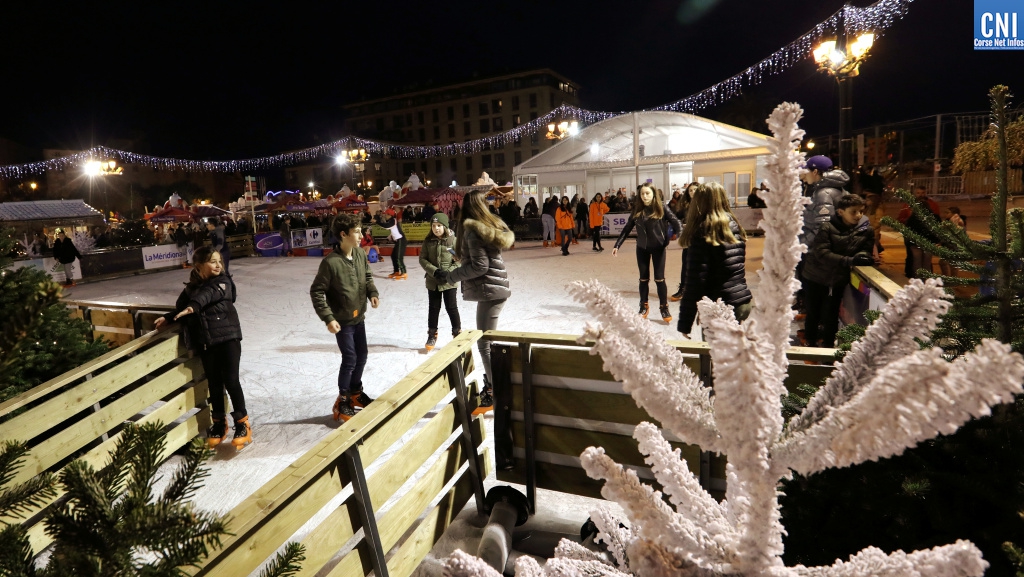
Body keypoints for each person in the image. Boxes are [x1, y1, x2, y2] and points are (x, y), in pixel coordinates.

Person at [154, 246, 251, 449]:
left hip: (228, 338)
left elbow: (207, 295)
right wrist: (169, 317)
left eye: (219, 261)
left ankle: (242, 423)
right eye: (212, 261)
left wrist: (194, 306)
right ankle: (219, 423)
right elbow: (182, 307)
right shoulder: (191, 288)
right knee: (214, 383)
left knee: (231, 380)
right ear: (199, 266)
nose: (218, 265)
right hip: (206, 341)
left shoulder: (223, 282)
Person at [433, 190, 514, 420]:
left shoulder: (472, 230)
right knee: (487, 343)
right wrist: (462, 259)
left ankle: (496, 392)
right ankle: (494, 387)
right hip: (493, 289)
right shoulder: (486, 226)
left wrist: (451, 276)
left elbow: (480, 267)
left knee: (485, 345)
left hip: (490, 290)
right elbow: (481, 260)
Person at [310, 213, 380, 422]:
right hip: (343, 321)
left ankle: (355, 392)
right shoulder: (330, 262)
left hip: (359, 317)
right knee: (350, 359)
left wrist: (372, 292)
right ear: (343, 234)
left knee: (362, 355)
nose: (361, 235)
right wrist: (328, 317)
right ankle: (343, 400)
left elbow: (367, 276)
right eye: (357, 232)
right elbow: (317, 291)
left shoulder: (359, 254)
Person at [676, 182, 753, 337]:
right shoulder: (733, 224)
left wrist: (685, 322)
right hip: (741, 301)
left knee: (716, 351)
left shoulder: (702, 231)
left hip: (719, 307)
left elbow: (696, 281)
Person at [800, 194, 875, 347]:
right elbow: (822, 253)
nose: (858, 215)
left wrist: (862, 256)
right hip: (815, 276)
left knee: (831, 314)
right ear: (841, 212)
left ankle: (828, 347)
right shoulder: (827, 227)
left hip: (837, 280)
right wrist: (849, 260)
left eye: (861, 211)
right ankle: (810, 342)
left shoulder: (866, 230)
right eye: (853, 212)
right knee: (814, 312)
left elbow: (866, 250)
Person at [612, 184, 683, 322]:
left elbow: (676, 222)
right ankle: (643, 305)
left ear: (653, 194)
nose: (645, 196)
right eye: (642, 194)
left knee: (659, 279)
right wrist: (617, 245)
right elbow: (627, 228)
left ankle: (664, 307)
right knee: (643, 279)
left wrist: (680, 234)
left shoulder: (661, 207)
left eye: (647, 193)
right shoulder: (637, 209)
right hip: (642, 248)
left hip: (658, 248)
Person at [419, 213, 462, 351]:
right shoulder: (428, 241)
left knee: (451, 307)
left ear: (445, 226)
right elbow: (422, 259)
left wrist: (449, 273)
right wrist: (435, 271)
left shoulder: (453, 241)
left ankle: (457, 333)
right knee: (433, 308)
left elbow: (459, 260)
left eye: (439, 225)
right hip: (433, 281)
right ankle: (432, 334)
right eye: (433, 226)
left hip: (449, 281)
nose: (436, 228)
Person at [897, 185, 941, 279]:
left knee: (920, 261)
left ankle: (919, 280)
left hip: (919, 240)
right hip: (922, 240)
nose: (920, 195)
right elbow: (901, 218)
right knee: (916, 259)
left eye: (922, 193)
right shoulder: (907, 205)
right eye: (918, 193)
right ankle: (918, 277)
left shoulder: (932, 204)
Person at [938, 205, 967, 278]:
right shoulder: (949, 221)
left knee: (948, 263)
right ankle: (950, 279)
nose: (945, 214)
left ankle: (949, 279)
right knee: (948, 263)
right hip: (950, 245)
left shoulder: (958, 221)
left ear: (954, 213)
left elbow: (956, 233)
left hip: (954, 245)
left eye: (947, 212)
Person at [381, 208, 407, 279]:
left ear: (389, 215)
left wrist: (377, 222)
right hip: (398, 241)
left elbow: (386, 226)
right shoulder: (391, 221)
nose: (385, 216)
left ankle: (404, 272)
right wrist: (387, 239)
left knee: (398, 257)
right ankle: (396, 271)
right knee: (393, 256)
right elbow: (394, 231)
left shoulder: (393, 220)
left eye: (386, 214)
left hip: (401, 240)